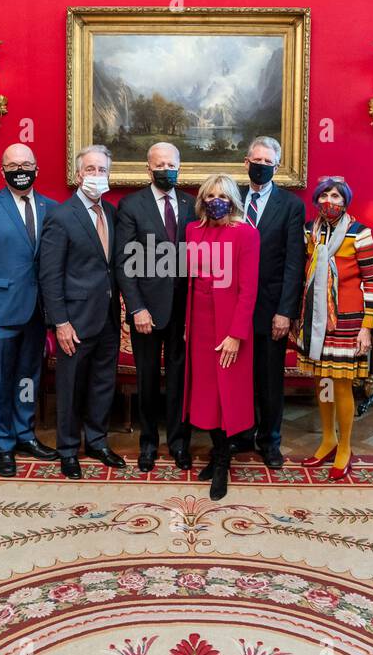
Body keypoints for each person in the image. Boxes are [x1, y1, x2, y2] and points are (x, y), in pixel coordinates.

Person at [0, 143, 58, 477]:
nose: (21, 169)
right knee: (1, 380)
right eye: (13, 164)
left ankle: (25, 433)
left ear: (37, 168)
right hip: (0, 312)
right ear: (2, 170)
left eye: (27, 163)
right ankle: (3, 443)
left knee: (28, 378)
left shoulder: (52, 208)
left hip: (38, 313)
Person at [39, 146, 126, 479]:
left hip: (107, 316)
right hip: (73, 320)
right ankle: (68, 449)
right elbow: (49, 274)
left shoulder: (112, 213)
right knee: (71, 385)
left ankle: (98, 441)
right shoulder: (61, 216)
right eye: (90, 170)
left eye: (102, 170)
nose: (96, 176)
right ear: (78, 176)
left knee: (103, 383)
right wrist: (60, 322)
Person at [115, 142, 198, 473]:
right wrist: (136, 308)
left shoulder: (192, 205)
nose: (167, 169)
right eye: (160, 165)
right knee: (147, 380)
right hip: (146, 310)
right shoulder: (131, 205)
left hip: (184, 310)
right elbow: (123, 262)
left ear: (180, 166)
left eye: (172, 164)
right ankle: (148, 443)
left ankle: (179, 443)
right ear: (148, 169)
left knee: (180, 379)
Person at [293, 177, 373, 480]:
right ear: (316, 199)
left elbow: (371, 280)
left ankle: (345, 445)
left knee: (342, 383)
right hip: (315, 319)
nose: (331, 200)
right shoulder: (308, 231)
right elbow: (302, 270)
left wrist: (366, 326)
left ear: (346, 201)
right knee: (322, 380)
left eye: (337, 196)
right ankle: (327, 437)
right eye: (326, 195)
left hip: (347, 320)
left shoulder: (360, 233)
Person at [183, 174, 260, 500]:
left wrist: (236, 334)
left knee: (227, 394)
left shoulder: (245, 233)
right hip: (199, 323)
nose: (217, 201)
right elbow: (189, 279)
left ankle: (224, 463)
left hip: (229, 327)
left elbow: (248, 290)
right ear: (202, 199)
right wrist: (187, 323)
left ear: (233, 201)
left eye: (224, 196)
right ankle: (217, 452)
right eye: (211, 195)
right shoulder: (192, 230)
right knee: (205, 393)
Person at [231, 136, 305, 468]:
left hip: (270, 307)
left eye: (268, 163)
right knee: (238, 377)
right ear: (246, 163)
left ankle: (270, 441)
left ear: (276, 167)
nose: (261, 167)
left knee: (269, 380)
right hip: (233, 307)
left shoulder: (291, 206)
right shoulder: (231, 198)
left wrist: (285, 312)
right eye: (256, 161)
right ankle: (242, 435)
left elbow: (293, 263)